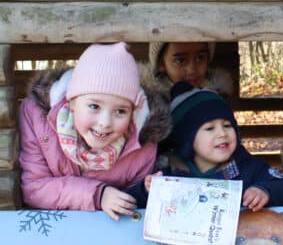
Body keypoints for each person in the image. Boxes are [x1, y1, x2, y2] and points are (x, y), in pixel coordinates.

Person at [18, 42, 170, 220]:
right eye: (94, 106)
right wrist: (97, 195)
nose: (105, 122)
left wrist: (145, 190)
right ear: (72, 101)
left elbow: (131, 206)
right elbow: (34, 188)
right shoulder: (37, 118)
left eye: (120, 111)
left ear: (133, 112)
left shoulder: (143, 142)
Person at [133, 81, 283, 210]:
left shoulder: (249, 168)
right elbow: (130, 201)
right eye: (209, 128)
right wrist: (146, 190)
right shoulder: (168, 172)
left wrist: (265, 191)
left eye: (227, 125)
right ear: (186, 138)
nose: (222, 133)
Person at [145, 41, 233, 98]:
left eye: (200, 58)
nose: (192, 70)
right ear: (161, 64)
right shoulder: (151, 106)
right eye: (180, 60)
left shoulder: (217, 99)